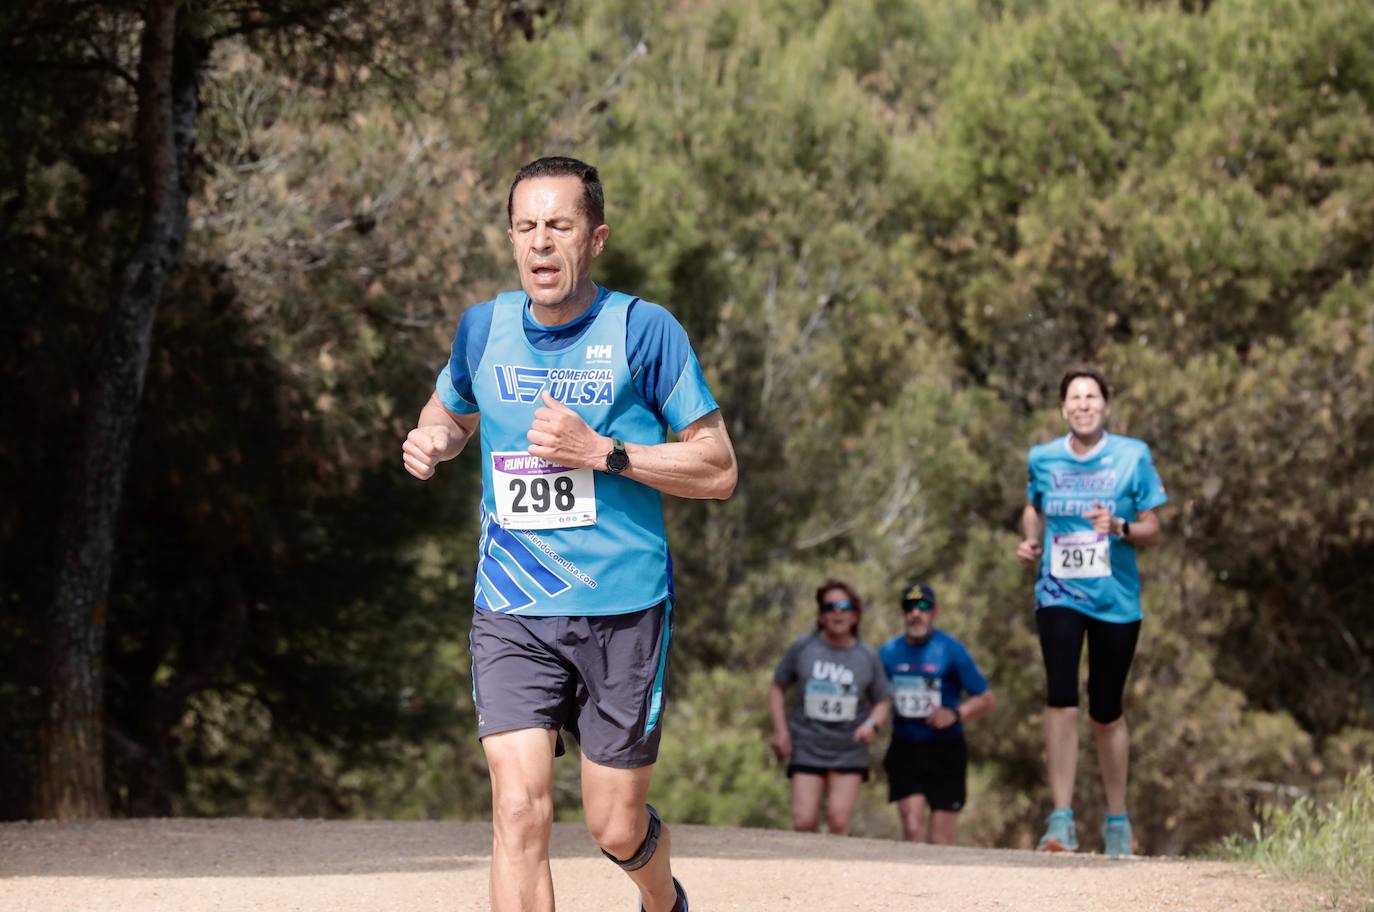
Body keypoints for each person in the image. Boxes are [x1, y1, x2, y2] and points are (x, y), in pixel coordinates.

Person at [401, 156, 737, 912]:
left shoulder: (644, 331)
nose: (541, 244)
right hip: (513, 603)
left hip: (624, 608)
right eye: (526, 227)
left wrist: (605, 453)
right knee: (517, 810)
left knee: (614, 825)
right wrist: (433, 441)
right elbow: (449, 413)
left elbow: (718, 468)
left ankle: (661, 898)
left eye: (559, 226)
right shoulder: (482, 327)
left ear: (596, 238)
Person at [1016, 368, 1166, 857]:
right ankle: (1061, 820)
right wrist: (1032, 539)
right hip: (1058, 591)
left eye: (1092, 396)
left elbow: (1153, 529)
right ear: (1063, 408)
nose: (1083, 404)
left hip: (1115, 599)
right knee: (1060, 695)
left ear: (1105, 405)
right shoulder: (1043, 458)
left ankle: (1117, 821)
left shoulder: (1132, 456)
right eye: (1074, 397)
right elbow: (1033, 506)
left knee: (1105, 710)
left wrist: (1119, 525)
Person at [768, 579, 892, 836]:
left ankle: (833, 875)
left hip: (848, 749)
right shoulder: (803, 648)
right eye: (830, 607)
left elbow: (882, 700)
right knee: (803, 821)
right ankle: (805, 874)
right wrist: (781, 731)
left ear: (855, 615)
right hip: (807, 745)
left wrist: (871, 724)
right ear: (821, 615)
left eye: (844, 606)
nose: (838, 612)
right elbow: (777, 687)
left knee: (838, 822)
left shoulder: (867, 656)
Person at [878, 580, 995, 844]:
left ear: (934, 612)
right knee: (912, 824)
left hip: (946, 749)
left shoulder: (950, 650)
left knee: (941, 838)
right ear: (902, 612)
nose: (916, 613)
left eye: (923, 606)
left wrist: (954, 714)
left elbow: (987, 699)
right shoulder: (888, 652)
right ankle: (910, 884)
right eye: (910, 607)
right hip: (905, 746)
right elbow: (875, 696)